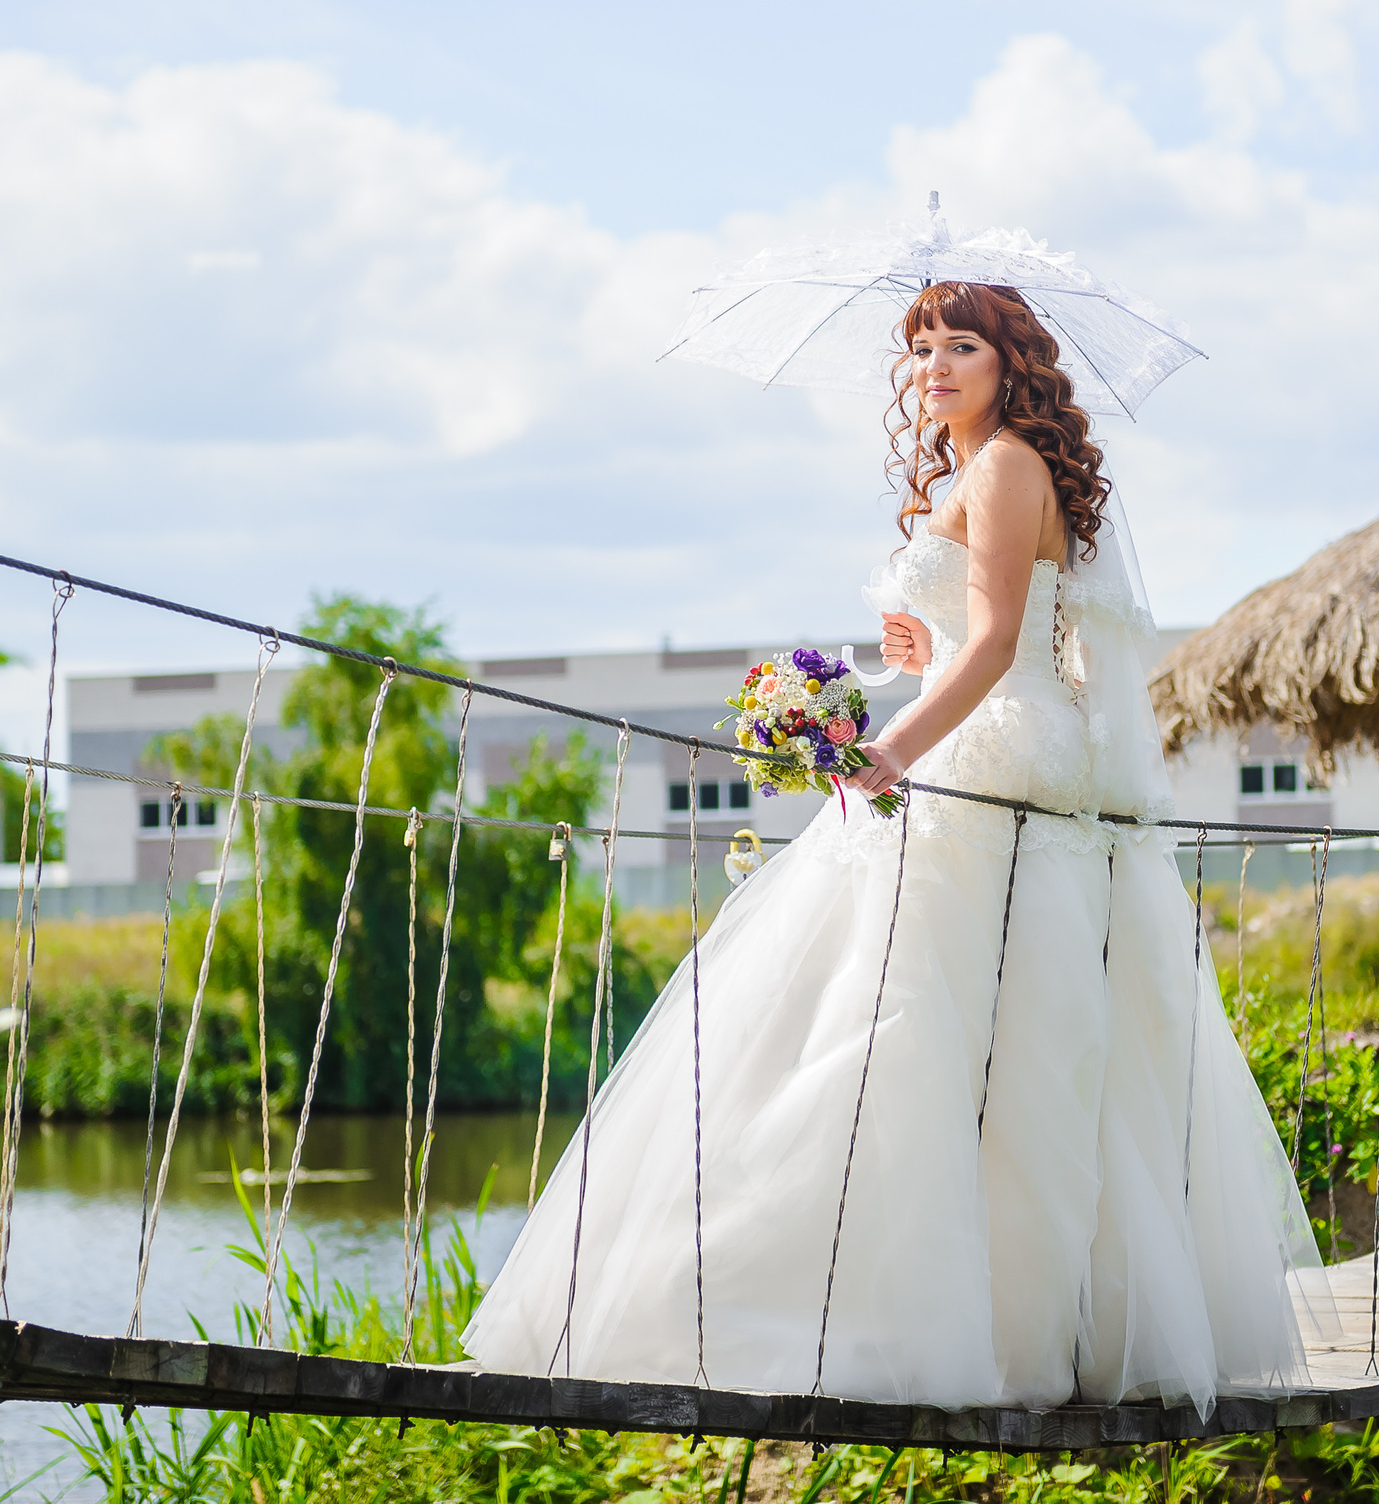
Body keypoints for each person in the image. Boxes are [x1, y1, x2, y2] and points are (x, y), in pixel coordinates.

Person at [463, 282, 1327, 1412]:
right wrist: (911, 659)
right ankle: (899, 1303)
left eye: (960, 344)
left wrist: (893, 748)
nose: (933, 364)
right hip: (987, 745)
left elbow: (1010, 644)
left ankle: (956, 1327)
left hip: (997, 768)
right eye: (920, 347)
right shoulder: (976, 472)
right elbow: (976, 640)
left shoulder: (1010, 463)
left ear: (1012, 364)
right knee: (943, 1031)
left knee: (934, 1029)